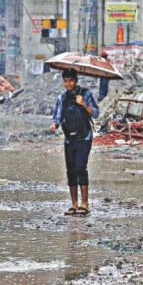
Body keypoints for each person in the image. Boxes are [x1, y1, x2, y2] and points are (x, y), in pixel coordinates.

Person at [48, 69, 100, 216]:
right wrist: (54, 125)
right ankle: (74, 204)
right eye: (66, 81)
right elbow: (57, 117)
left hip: (84, 137)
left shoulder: (86, 94)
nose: (68, 84)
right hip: (69, 138)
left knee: (80, 168)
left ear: (75, 81)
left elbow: (96, 113)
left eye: (71, 80)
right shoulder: (62, 98)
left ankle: (85, 203)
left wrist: (83, 104)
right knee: (71, 170)